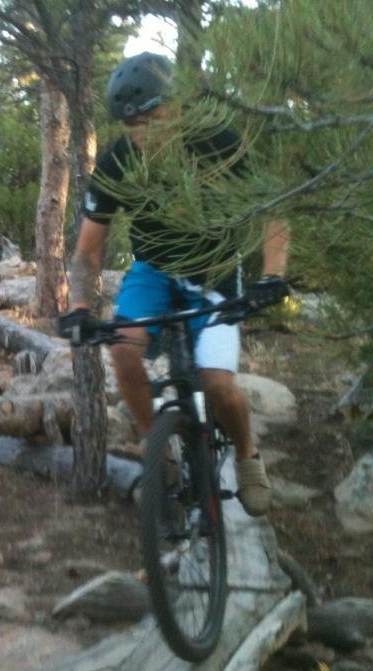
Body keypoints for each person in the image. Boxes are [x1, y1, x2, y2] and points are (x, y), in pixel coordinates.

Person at [60, 52, 290, 517]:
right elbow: (87, 250)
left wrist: (272, 276)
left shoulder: (219, 143)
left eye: (152, 118)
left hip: (214, 269)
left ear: (178, 108)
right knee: (123, 348)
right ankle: (158, 452)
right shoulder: (118, 162)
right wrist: (82, 306)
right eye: (132, 126)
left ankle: (247, 456)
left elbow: (274, 209)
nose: (142, 133)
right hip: (153, 268)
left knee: (217, 383)